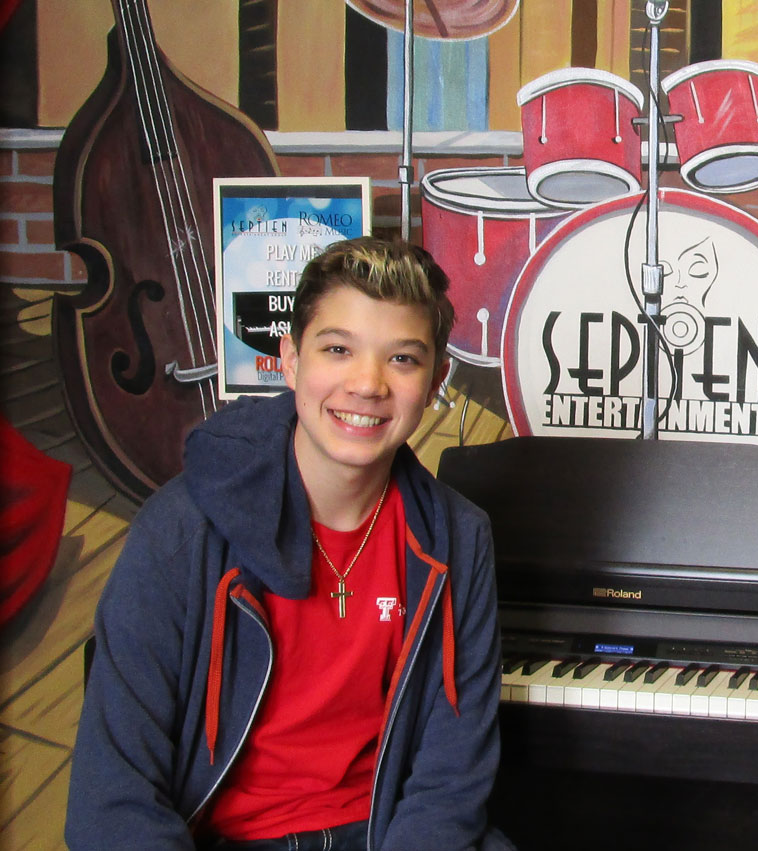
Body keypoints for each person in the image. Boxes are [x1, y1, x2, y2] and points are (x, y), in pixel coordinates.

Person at [66, 237, 505, 850]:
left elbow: (451, 775)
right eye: (337, 349)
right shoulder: (178, 530)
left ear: (435, 382)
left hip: (384, 834)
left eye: (403, 359)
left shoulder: (459, 537)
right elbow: (112, 801)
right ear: (291, 360)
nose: (368, 383)